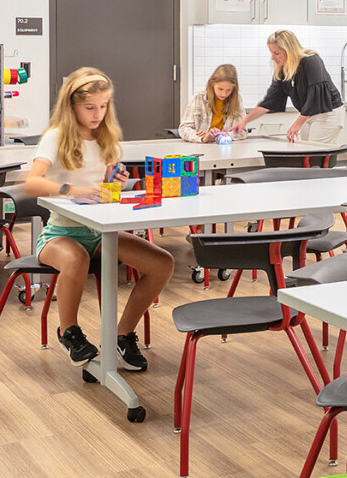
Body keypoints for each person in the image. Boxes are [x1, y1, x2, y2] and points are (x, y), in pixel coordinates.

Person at [23, 67, 174, 370]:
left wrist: (113, 178)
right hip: (59, 235)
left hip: (100, 233)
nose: (98, 114)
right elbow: (32, 183)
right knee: (76, 258)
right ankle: (69, 332)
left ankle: (122, 335)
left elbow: (104, 183)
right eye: (90, 107)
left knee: (163, 263)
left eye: (104, 106)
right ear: (72, 106)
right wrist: (72, 189)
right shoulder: (56, 137)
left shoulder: (106, 138)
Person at [234, 29, 344, 144]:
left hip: (327, 113)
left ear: (289, 50)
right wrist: (244, 121)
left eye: (276, 53)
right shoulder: (283, 71)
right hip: (308, 114)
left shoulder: (312, 61)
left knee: (314, 153)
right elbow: (269, 101)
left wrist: (296, 125)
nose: (272, 57)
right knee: (308, 151)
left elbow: (315, 97)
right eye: (271, 52)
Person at [179, 63, 245, 142]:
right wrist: (203, 138)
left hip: (225, 147)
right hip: (201, 148)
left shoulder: (237, 100)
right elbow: (184, 129)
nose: (224, 94)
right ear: (212, 84)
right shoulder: (198, 98)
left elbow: (242, 131)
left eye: (229, 90)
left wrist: (220, 135)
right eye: (220, 89)